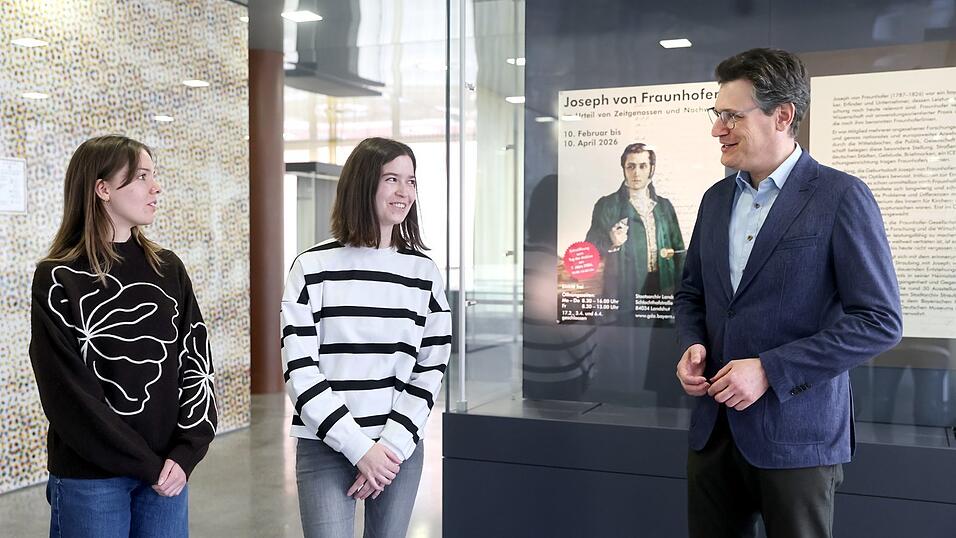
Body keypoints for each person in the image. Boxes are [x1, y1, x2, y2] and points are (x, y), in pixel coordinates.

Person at [674, 48, 902, 538]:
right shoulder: (716, 200)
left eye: (732, 116)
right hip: (713, 435)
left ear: (783, 116)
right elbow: (692, 293)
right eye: (717, 115)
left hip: (798, 438)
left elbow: (879, 321)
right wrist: (692, 344)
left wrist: (770, 371)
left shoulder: (841, 196)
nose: (718, 129)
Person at [30, 135, 218, 537]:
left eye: (155, 176)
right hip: (92, 477)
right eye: (142, 177)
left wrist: (186, 454)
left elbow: (196, 364)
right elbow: (67, 394)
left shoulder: (169, 269)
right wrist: (149, 465)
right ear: (103, 189)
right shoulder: (59, 277)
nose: (157, 187)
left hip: (168, 473)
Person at [280, 137, 452, 537]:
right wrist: (359, 449)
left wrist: (387, 448)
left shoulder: (424, 273)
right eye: (391, 179)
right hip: (325, 445)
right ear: (362, 184)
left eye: (410, 181)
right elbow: (300, 371)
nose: (404, 192)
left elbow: (431, 368)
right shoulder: (312, 267)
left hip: (398, 449)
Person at [584, 143, 684, 313]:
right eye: (631, 166)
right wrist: (611, 240)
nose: (636, 173)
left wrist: (681, 293)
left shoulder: (665, 206)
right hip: (626, 291)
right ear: (624, 168)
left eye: (642, 166)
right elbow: (590, 250)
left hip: (663, 289)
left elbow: (679, 251)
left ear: (651, 169)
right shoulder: (607, 205)